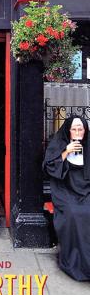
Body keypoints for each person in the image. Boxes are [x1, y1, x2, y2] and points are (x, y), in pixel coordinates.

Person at [43, 115, 90, 281]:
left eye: (81, 129)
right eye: (74, 129)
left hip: (86, 191)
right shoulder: (59, 144)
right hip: (64, 191)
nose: (77, 132)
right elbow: (49, 167)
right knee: (75, 214)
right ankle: (74, 262)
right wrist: (66, 152)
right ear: (68, 131)